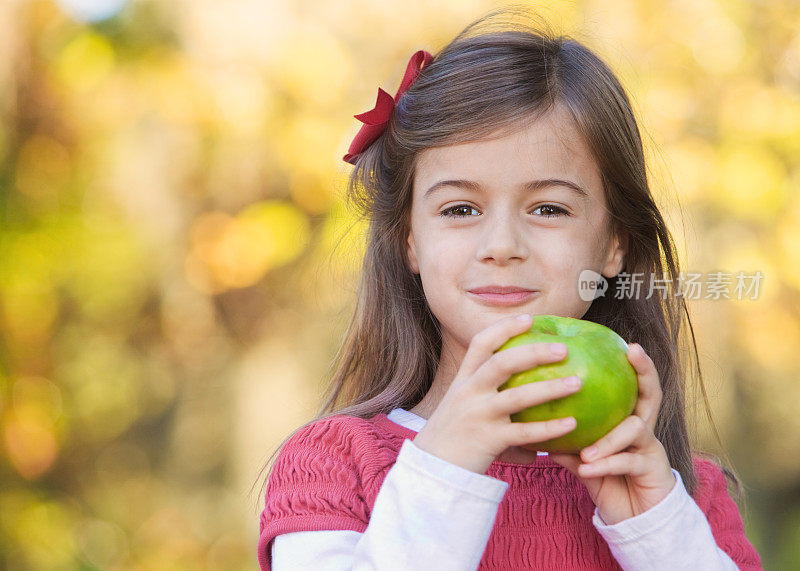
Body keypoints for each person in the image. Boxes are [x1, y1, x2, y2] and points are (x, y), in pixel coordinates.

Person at [256, 8, 763, 570]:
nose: (501, 245)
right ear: (410, 241)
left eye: (548, 208)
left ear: (613, 245)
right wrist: (446, 467)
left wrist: (655, 530)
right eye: (460, 208)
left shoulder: (681, 495)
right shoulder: (334, 466)